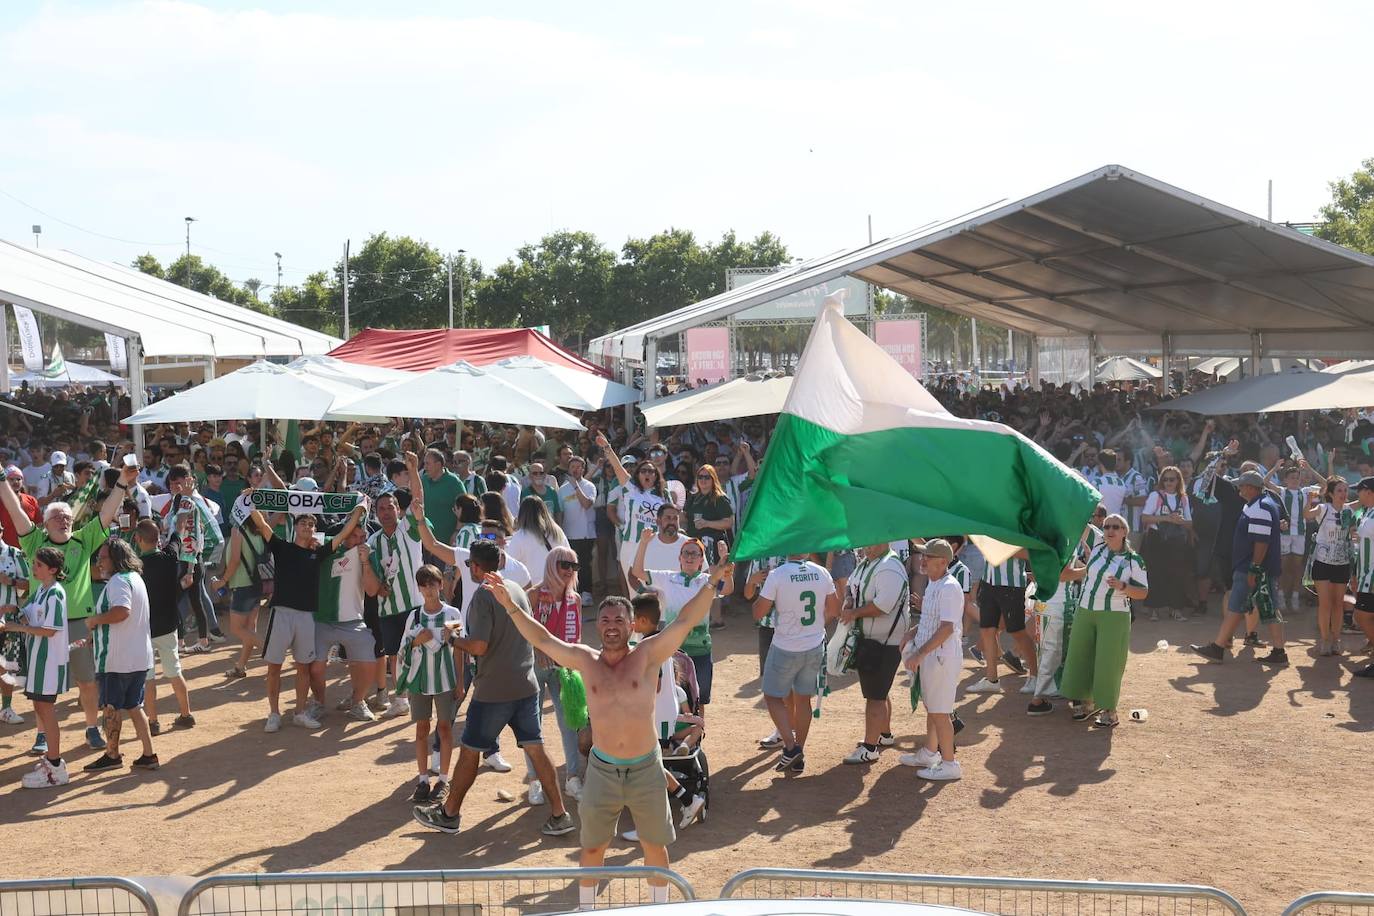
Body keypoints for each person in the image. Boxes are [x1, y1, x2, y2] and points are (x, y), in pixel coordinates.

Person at [430, 548, 730, 909]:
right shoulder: (586, 661)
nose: (612, 626)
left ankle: (659, 908)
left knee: (654, 846)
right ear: (597, 625)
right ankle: (587, 909)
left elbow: (684, 621)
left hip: (646, 767)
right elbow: (542, 639)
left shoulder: (648, 656)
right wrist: (511, 605)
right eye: (605, 620)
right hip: (603, 768)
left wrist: (713, 582)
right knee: (592, 846)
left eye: (619, 619)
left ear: (632, 623)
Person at [411, 539, 576, 838]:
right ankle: (559, 814)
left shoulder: (483, 598)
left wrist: (452, 639)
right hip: (526, 685)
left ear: (474, 566)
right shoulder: (515, 590)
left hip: (493, 692)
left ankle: (449, 815)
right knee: (536, 749)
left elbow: (479, 646)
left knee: (470, 752)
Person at [0, 460, 131, 756]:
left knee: (86, 681)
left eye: (68, 515)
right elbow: (14, 509)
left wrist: (122, 483)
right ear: (46, 522)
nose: (65, 519)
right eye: (58, 515)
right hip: (42, 625)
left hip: (78, 623)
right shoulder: (34, 541)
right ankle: (42, 734)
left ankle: (91, 728)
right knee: (41, 687)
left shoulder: (83, 540)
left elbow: (108, 512)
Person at [242, 494, 367, 732]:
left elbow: (343, 534)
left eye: (311, 525)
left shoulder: (319, 554)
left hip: (307, 616)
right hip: (281, 613)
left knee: (303, 666)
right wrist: (249, 499)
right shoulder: (281, 547)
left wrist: (359, 510)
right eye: (303, 523)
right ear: (295, 527)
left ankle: (299, 712)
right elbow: (262, 523)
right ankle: (274, 713)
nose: (307, 527)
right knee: (274, 666)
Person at [1059, 513, 1148, 728]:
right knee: (1080, 655)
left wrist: (1123, 587)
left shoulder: (1133, 560)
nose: (1110, 530)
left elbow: (1143, 593)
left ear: (1124, 532)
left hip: (1114, 615)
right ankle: (1085, 703)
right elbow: (1080, 524)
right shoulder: (1098, 546)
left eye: (1116, 527)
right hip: (1085, 610)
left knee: (1108, 662)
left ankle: (1109, 711)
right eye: (1107, 526)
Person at [1191, 471, 1288, 667]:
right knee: (1266, 608)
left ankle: (1218, 648)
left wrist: (1253, 568)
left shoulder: (1259, 507)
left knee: (1237, 606)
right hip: (1258, 568)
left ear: (1251, 488)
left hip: (1252, 569)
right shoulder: (1260, 504)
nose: (1238, 489)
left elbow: (1261, 543)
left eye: (1241, 486)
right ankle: (1278, 651)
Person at [752, 553, 838, 774]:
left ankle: (791, 748)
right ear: (808, 551)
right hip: (814, 644)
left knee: (772, 696)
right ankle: (798, 751)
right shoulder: (822, 572)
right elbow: (835, 609)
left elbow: (758, 612)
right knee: (803, 700)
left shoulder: (778, 574)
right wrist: (816, 627)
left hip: (785, 646)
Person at [631, 528, 732, 706]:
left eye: (695, 553)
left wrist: (727, 568)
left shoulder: (707, 580)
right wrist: (644, 543)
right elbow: (637, 571)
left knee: (699, 699)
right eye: (686, 553)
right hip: (672, 650)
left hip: (700, 649)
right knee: (674, 697)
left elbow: (728, 589)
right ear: (679, 558)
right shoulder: (667, 578)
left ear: (702, 560)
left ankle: (698, 733)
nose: (690, 557)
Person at [83, 538, 158, 773]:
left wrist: (95, 621)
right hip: (137, 657)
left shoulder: (118, 581)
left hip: (117, 659)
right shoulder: (135, 578)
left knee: (112, 708)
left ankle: (112, 754)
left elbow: (121, 612)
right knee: (135, 706)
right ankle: (149, 753)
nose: (99, 562)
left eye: (103, 557)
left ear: (115, 559)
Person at [395, 564, 462, 804]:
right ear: (419, 588)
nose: (429, 589)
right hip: (420, 681)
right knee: (421, 729)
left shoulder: (453, 614)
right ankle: (423, 780)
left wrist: (460, 683)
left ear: (441, 585)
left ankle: (443, 779)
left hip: (445, 681)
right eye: (424, 585)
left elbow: (459, 650)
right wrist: (416, 642)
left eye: (432, 584)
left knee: (444, 729)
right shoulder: (414, 615)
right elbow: (403, 648)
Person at [523, 547, 586, 802]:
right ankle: (534, 780)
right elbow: (521, 630)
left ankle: (572, 778)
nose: (569, 571)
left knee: (570, 723)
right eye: (564, 565)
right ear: (551, 564)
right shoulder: (535, 595)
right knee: (531, 726)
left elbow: (577, 636)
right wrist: (537, 650)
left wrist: (573, 663)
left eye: (574, 566)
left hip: (564, 669)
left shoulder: (576, 599)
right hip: (534, 667)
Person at [4, 546, 70, 787]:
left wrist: (16, 627)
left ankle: (54, 766)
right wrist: (14, 612)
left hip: (48, 662)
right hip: (38, 661)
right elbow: (29, 617)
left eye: (39, 565)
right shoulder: (41, 591)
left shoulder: (54, 593)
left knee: (46, 710)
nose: (34, 568)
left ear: (52, 569)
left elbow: (50, 630)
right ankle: (52, 762)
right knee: (41, 709)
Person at [898, 539, 964, 781]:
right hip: (934, 656)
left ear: (943, 562)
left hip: (941, 658)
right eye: (923, 555)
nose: (922, 560)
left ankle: (950, 764)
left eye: (928, 556)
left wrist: (919, 653)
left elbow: (946, 628)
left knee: (940, 712)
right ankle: (929, 753)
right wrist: (911, 633)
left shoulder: (948, 588)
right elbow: (932, 621)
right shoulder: (935, 584)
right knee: (933, 708)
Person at [307, 520, 383, 722]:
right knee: (315, 666)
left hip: (353, 621)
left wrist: (366, 561)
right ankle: (319, 703)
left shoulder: (368, 553)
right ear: (345, 533)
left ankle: (358, 702)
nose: (358, 541)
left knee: (368, 660)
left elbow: (372, 590)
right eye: (354, 536)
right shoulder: (327, 543)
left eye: (362, 537)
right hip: (321, 619)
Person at [841, 543, 909, 763]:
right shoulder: (867, 563)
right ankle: (885, 735)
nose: (866, 548)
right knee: (880, 690)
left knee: (875, 697)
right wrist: (849, 600)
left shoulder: (889, 567)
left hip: (885, 640)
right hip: (874, 639)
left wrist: (854, 613)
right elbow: (851, 587)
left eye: (871, 543)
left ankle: (869, 748)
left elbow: (883, 606)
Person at [132, 520, 193, 733]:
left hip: (145, 628)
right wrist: (180, 522)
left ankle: (153, 721)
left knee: (148, 678)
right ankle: (186, 715)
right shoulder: (169, 556)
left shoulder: (135, 566)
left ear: (139, 539)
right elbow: (176, 537)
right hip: (168, 624)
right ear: (158, 538)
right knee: (174, 671)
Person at [966, 549, 1038, 693]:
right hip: (988, 582)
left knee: (1017, 631)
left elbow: (1030, 552)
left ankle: (1035, 677)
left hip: (1012, 584)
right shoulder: (990, 526)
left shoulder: (1019, 528)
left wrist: (1000, 549)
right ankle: (991, 679)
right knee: (987, 630)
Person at [211, 515, 273, 679]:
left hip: (243, 585)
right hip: (257, 584)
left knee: (237, 628)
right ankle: (240, 666)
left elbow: (235, 560)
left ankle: (273, 654)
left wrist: (223, 580)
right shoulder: (260, 529)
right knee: (249, 629)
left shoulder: (238, 530)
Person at [1305, 476, 1357, 657]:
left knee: (1338, 604)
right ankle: (1325, 639)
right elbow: (1306, 515)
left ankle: (1336, 640)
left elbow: (1366, 500)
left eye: (1346, 490)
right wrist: (1309, 500)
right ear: (1330, 494)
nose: (1344, 494)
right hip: (1322, 562)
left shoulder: (1349, 510)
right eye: (1340, 491)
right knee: (1325, 604)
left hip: (1342, 563)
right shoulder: (1323, 508)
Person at [1140, 466, 1194, 622]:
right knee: (1156, 573)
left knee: (1177, 574)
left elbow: (1190, 524)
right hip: (1157, 538)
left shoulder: (1183, 498)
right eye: (1165, 479)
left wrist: (1180, 521)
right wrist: (1166, 518)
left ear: (1178, 481)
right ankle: (1154, 609)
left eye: (1172, 479)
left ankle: (1176, 609)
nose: (1169, 482)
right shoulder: (1155, 495)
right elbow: (1145, 518)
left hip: (1176, 539)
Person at [0, 528, 31, 725]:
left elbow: (31, 583)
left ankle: (6, 708)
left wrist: (9, 581)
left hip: (7, 619)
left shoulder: (14, 553)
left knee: (6, 664)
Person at [558, 457, 597, 607]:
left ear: (583, 469)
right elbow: (560, 512)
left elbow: (587, 504)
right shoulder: (562, 490)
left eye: (578, 467)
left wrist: (575, 487)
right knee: (571, 565)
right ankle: (573, 592)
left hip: (586, 532)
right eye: (572, 466)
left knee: (585, 564)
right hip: (569, 533)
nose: (575, 469)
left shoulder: (589, 486)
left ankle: (587, 593)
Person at [506, 496, 570, 585]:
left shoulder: (520, 536)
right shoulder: (557, 531)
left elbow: (509, 565)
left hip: (533, 590)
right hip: (557, 585)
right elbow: (569, 557)